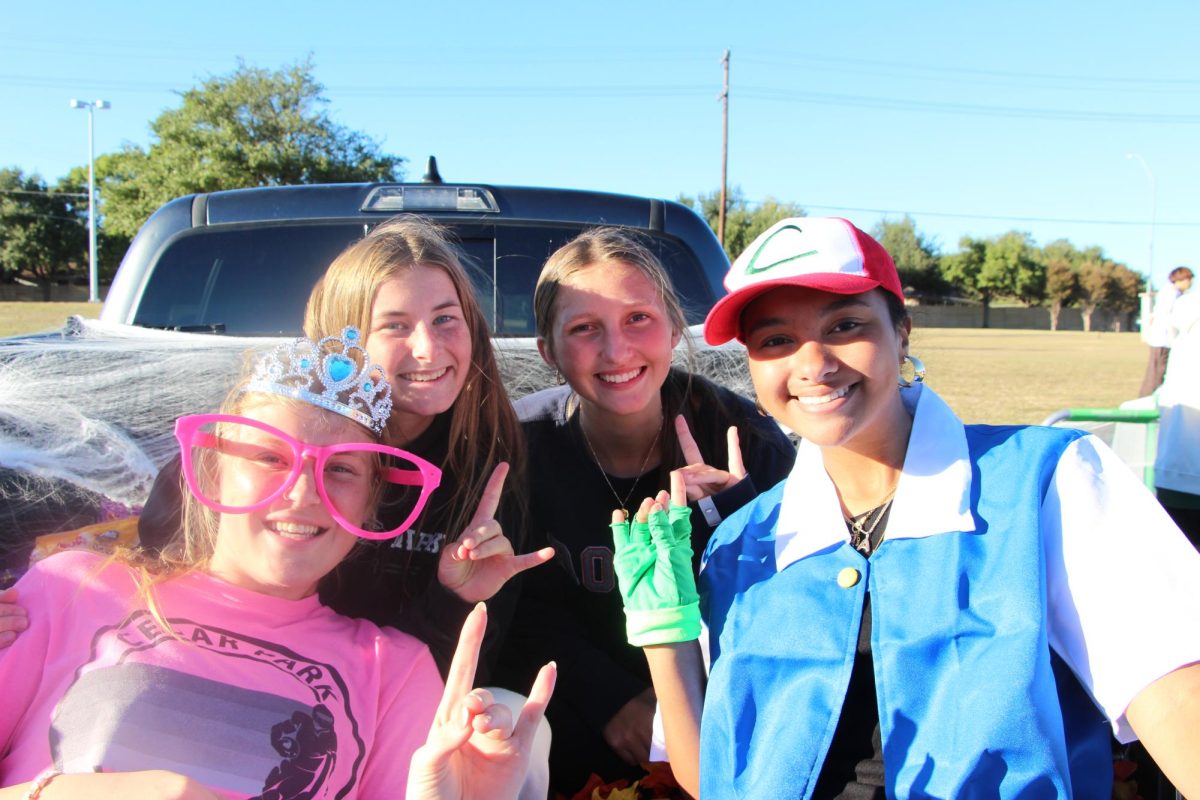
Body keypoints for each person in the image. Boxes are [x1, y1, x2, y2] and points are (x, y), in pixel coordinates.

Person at [612, 217, 1200, 798]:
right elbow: (718, 777)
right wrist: (666, 638)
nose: (813, 364)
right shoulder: (741, 543)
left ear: (902, 334)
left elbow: (1178, 696)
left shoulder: (1051, 481)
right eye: (776, 341)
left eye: (845, 325)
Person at [0, 327, 555, 799]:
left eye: (341, 471)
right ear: (214, 471)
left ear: (370, 501)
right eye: (270, 457)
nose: (303, 492)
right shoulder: (74, 590)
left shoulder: (397, 670)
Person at [494, 227, 796, 793]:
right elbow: (512, 612)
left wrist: (743, 526)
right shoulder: (518, 446)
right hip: (569, 716)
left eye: (639, 318)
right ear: (547, 351)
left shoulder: (742, 437)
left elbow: (804, 605)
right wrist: (609, 697)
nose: (616, 350)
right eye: (584, 329)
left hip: (720, 713)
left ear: (675, 328)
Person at [1138, 265, 1193, 397]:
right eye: (1189, 279)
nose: (1190, 283)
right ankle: (1146, 400)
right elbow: (1168, 317)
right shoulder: (1170, 294)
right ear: (1181, 279)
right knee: (1156, 374)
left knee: (1161, 374)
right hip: (1162, 340)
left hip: (1167, 340)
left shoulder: (1177, 294)